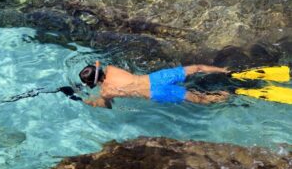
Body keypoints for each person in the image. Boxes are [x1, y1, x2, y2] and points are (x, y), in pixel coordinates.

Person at [79, 62, 230, 108]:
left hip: (154, 92)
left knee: (201, 99)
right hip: (155, 78)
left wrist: (90, 102)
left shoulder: (106, 91)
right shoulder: (111, 68)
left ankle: (231, 95)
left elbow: (108, 105)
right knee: (196, 68)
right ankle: (224, 70)